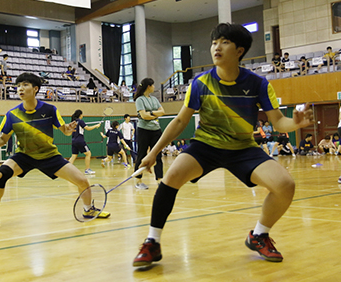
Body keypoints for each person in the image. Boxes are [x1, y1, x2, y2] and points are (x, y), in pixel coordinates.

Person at [132, 23, 313, 267]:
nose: (217, 46)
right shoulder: (200, 83)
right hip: (205, 146)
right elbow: (179, 121)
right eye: (215, 42)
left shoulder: (258, 84)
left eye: (224, 42)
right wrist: (153, 153)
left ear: (239, 50)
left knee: (285, 185)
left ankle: (259, 234)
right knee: (171, 177)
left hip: (243, 148)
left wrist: (296, 123)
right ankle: (152, 242)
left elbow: (279, 122)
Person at [0, 72, 110, 232]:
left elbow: (64, 131)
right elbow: (3, 140)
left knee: (83, 181)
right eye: (18, 86)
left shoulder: (50, 109)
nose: (20, 89)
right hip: (24, 155)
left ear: (35, 89)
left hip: (49, 156)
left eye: (25, 85)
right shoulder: (12, 115)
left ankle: (88, 210)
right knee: (0, 175)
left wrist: (68, 129)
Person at [133, 77, 165, 189]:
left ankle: (160, 180)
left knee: (158, 155)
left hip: (156, 130)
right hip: (144, 130)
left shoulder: (154, 99)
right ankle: (138, 181)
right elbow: (143, 116)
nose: (154, 87)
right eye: (153, 85)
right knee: (141, 154)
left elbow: (163, 112)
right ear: (148, 86)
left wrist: (150, 113)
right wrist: (155, 114)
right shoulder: (140, 100)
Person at [68, 109, 101, 175]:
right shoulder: (80, 121)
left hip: (73, 140)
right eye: (82, 114)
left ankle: (67, 170)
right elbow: (87, 128)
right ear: (80, 115)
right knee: (88, 154)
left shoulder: (73, 122)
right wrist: (96, 126)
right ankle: (87, 169)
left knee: (74, 155)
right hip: (80, 140)